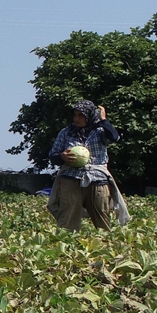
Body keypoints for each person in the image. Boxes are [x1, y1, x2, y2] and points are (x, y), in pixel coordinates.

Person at [46, 99, 129, 231]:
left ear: (89, 116)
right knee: (67, 219)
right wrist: (62, 156)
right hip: (71, 179)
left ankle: (104, 245)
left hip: (97, 180)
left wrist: (103, 120)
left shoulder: (100, 131)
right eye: (75, 115)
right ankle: (66, 244)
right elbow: (53, 155)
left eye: (81, 115)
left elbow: (114, 137)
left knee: (102, 217)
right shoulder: (66, 132)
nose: (76, 119)